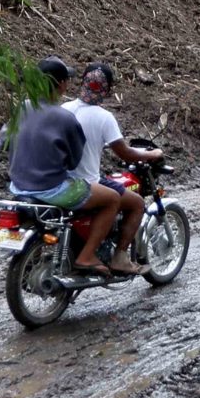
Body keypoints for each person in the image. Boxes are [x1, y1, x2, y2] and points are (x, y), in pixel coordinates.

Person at [7, 56, 124, 277]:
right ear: (61, 84)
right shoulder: (64, 117)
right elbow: (73, 161)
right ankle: (87, 256)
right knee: (112, 199)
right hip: (51, 189)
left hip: (18, 186)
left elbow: (3, 142)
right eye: (66, 80)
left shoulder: (21, 108)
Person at [62, 60, 164, 277]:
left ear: (82, 82)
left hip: (60, 180)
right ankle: (120, 257)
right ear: (108, 90)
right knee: (136, 203)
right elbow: (125, 153)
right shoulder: (104, 118)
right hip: (87, 182)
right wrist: (152, 154)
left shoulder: (63, 109)